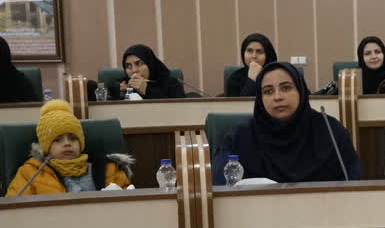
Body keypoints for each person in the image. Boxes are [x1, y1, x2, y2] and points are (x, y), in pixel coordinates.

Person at [213, 62, 361, 184]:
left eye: (286, 88)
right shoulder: (239, 137)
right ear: (260, 98)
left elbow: (354, 186)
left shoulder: (332, 132)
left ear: (301, 91)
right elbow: (219, 188)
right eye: (268, 91)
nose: (277, 97)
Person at [6, 100, 133, 195]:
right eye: (57, 140)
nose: (67, 143)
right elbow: (16, 212)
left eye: (73, 138)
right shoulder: (30, 173)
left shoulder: (109, 169)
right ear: (46, 147)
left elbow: (129, 205)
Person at [119, 44, 187, 100]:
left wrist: (147, 90)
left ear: (150, 64)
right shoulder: (123, 86)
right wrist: (121, 95)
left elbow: (179, 108)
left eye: (139, 64)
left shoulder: (171, 84)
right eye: (128, 66)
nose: (134, 70)